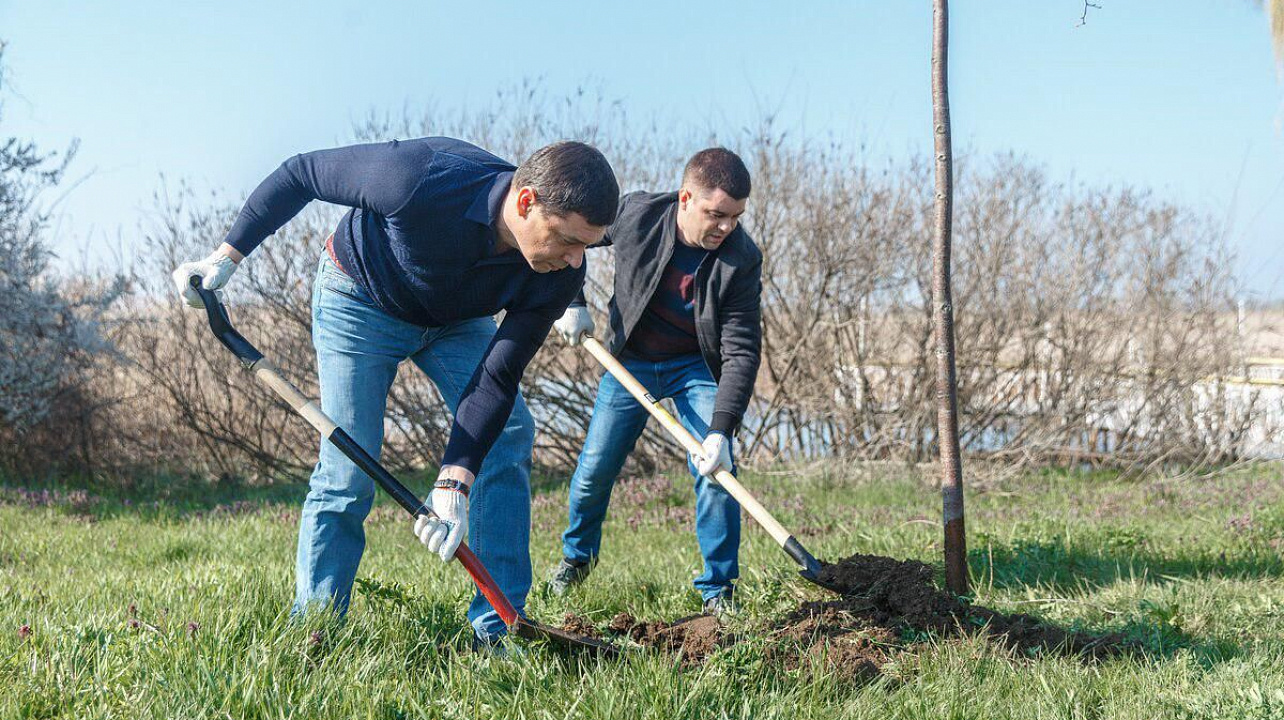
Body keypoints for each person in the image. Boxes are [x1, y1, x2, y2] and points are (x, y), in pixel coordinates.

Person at [172, 137, 618, 648]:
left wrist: (453, 482)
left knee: (509, 431)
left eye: (587, 246)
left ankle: (498, 630)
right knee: (348, 467)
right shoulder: (419, 179)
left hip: (454, 321)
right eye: (568, 240)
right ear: (526, 202)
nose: (576, 260)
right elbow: (301, 173)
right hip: (360, 301)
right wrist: (226, 257)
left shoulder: (559, 274)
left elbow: (496, 377)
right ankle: (315, 631)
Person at [549, 148, 761, 615]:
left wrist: (721, 429)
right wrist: (571, 300)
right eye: (717, 214)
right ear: (686, 198)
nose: (727, 227)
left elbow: (742, 350)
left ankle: (719, 590)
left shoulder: (741, 258)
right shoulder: (637, 215)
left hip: (695, 369)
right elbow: (568, 233)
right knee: (593, 471)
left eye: (736, 217)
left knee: (716, 472)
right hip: (631, 362)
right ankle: (576, 559)